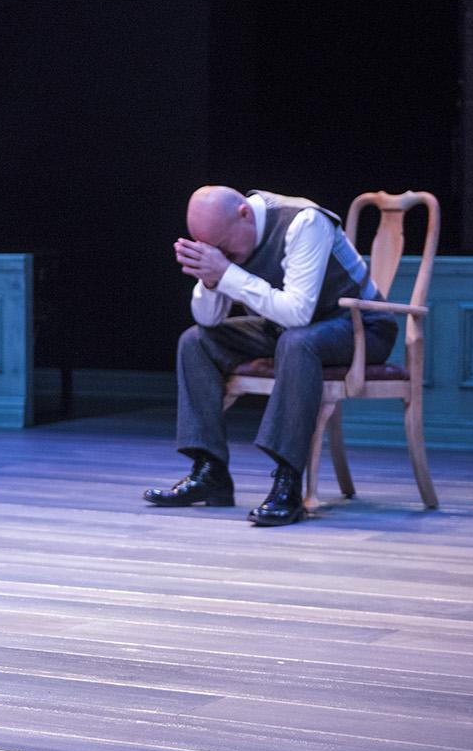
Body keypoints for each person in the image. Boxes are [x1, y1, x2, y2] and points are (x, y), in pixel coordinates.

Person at [146, 186, 398, 526]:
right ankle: (210, 471)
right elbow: (208, 320)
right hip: (290, 329)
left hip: (361, 327)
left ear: (244, 215)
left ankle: (287, 483)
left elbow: (298, 314)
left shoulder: (304, 222)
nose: (219, 253)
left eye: (221, 244)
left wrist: (227, 273)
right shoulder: (227, 242)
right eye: (209, 247)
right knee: (196, 341)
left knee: (297, 343)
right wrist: (210, 282)